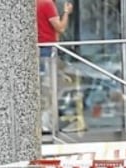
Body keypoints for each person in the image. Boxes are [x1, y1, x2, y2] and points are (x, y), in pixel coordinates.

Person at [37, 0, 72, 132]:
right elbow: (60, 28)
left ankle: (45, 122)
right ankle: (47, 124)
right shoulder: (46, 4)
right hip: (47, 48)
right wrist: (66, 13)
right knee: (50, 88)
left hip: (39, 48)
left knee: (44, 87)